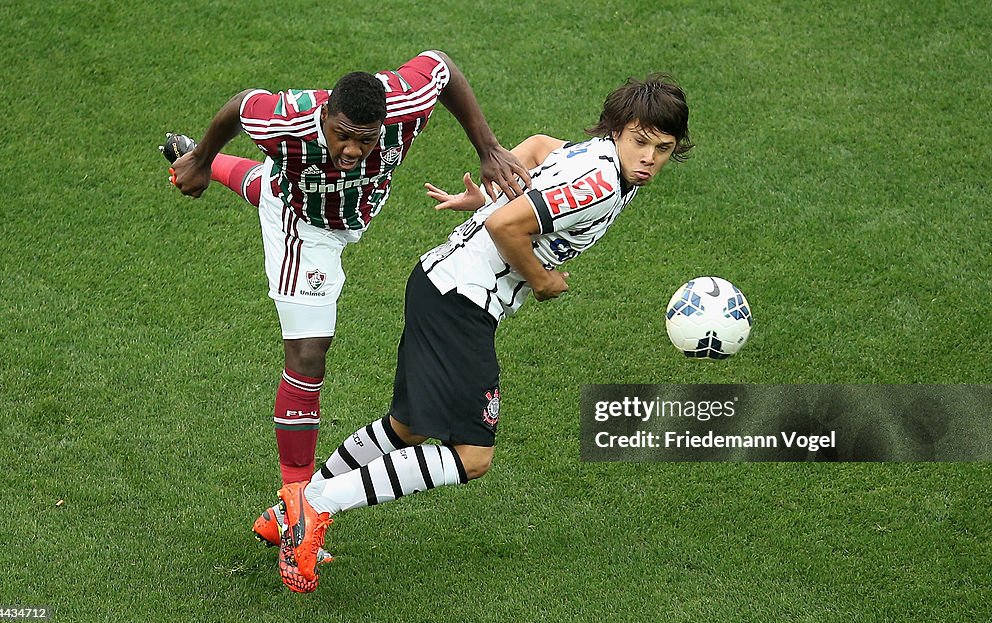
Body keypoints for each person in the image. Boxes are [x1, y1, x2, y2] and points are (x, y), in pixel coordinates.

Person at [269, 73, 694, 592]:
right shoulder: (603, 182)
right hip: (462, 303)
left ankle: (286, 513)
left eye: (663, 148)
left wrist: (491, 195)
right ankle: (315, 505)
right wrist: (541, 279)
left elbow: (538, 149)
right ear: (617, 132)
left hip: (437, 284)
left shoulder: (600, 157)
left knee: (406, 428)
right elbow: (507, 227)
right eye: (640, 142)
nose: (649, 157)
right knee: (473, 457)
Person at [162, 51, 531, 547]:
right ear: (324, 116)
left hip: (344, 213)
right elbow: (239, 104)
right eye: (342, 134)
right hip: (305, 227)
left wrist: (488, 148)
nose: (353, 148)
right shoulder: (286, 120)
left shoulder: (405, 102)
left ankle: (207, 160)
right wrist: (203, 160)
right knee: (310, 351)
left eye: (367, 138)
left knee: (276, 184)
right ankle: (297, 503)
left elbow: (442, 66)